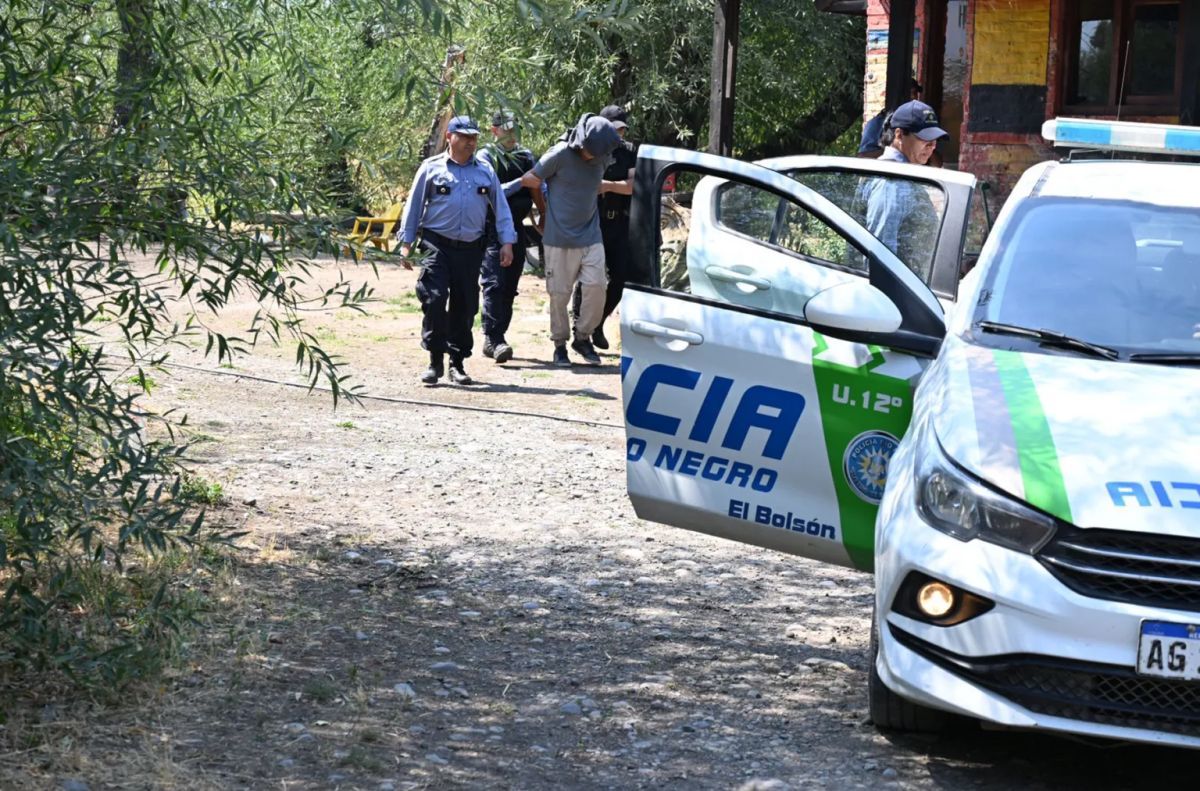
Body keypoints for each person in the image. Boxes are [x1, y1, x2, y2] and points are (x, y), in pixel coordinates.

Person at [397, 115, 516, 385]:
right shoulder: (431, 168)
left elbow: (501, 209)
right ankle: (435, 360)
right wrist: (406, 244)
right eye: (464, 137)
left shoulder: (485, 170)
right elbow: (414, 206)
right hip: (435, 244)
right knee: (435, 298)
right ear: (450, 137)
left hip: (471, 249)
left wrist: (507, 242)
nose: (471, 142)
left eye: (474, 137)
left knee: (465, 305)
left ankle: (457, 362)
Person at [519, 113, 622, 367]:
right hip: (559, 237)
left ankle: (583, 337)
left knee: (598, 286)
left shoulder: (604, 153)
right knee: (559, 294)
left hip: (591, 234)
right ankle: (560, 344)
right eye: (588, 151)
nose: (591, 157)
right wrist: (543, 210)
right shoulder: (559, 153)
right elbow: (532, 179)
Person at [478, 110, 545, 364]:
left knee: (510, 286)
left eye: (514, 128)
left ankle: (498, 336)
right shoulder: (486, 157)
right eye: (506, 129)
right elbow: (493, 193)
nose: (511, 133)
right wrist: (521, 182)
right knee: (494, 282)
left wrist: (543, 214)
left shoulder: (525, 156)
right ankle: (493, 339)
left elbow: (538, 186)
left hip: (517, 228)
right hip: (491, 228)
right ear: (494, 130)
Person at [570, 104, 636, 351]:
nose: (620, 135)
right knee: (588, 275)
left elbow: (632, 186)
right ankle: (580, 327)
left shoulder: (628, 151)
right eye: (615, 129)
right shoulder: (589, 148)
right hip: (592, 220)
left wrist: (607, 185)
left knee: (621, 277)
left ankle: (597, 324)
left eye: (622, 130)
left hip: (618, 222)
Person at [862, 100, 948, 273]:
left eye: (935, 140)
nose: (932, 147)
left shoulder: (903, 174)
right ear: (899, 135)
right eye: (925, 139)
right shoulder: (890, 182)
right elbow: (880, 257)